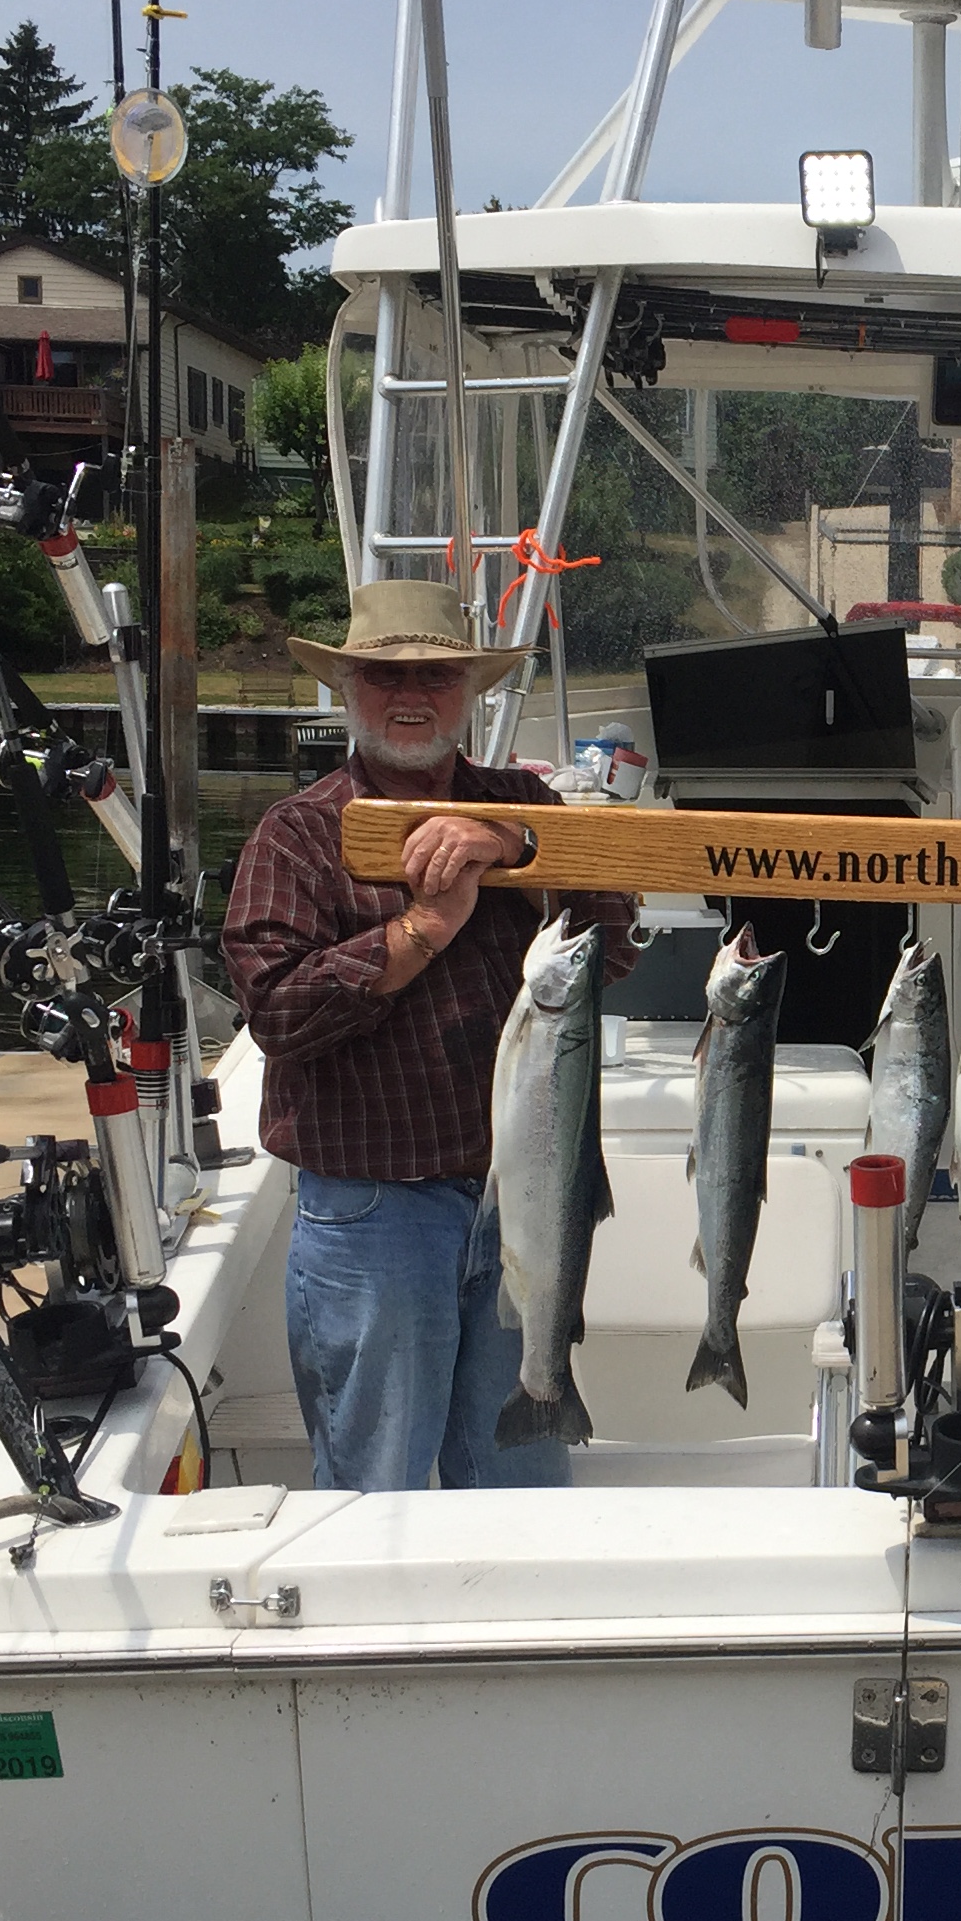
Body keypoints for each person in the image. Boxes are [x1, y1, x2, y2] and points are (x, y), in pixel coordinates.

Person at [222, 581, 637, 1491]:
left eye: (439, 675)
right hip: (376, 1215)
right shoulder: (297, 834)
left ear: (470, 692)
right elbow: (279, 1012)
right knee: (378, 1491)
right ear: (347, 690)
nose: (412, 695)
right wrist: (421, 931)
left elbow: (611, 939)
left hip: (523, 1204)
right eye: (383, 676)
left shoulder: (525, 804)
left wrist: (517, 848)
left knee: (518, 1489)